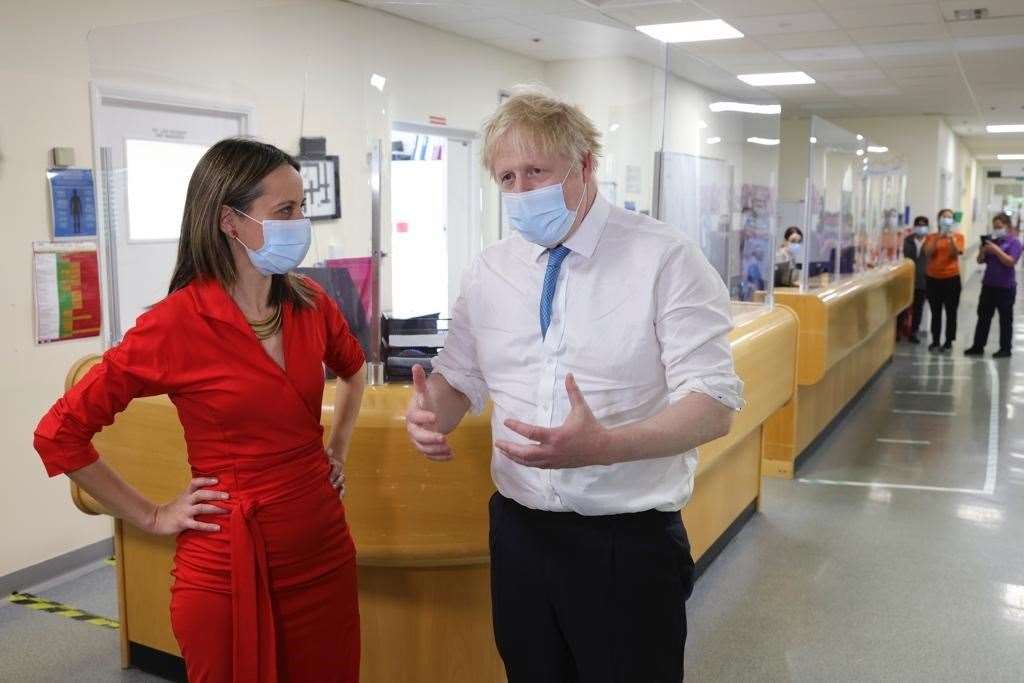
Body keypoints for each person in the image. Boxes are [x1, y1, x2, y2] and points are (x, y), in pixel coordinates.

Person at [405, 89, 743, 682]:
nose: (520, 191)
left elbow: (713, 404)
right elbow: (460, 378)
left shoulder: (665, 259)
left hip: (625, 542)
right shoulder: (491, 270)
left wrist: (606, 446)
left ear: (585, 165)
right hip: (519, 531)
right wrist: (431, 411)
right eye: (506, 178)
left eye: (535, 171)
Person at [33, 138, 366, 682]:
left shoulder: (309, 303)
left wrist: (338, 450)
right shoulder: (175, 324)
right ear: (229, 222)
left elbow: (354, 371)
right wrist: (150, 514)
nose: (301, 222)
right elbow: (59, 435)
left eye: (301, 207)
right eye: (285, 210)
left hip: (323, 553)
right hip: (229, 567)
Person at [965, 213, 1022, 358]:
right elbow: (980, 261)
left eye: (1000, 227)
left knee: (1005, 319)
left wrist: (996, 251)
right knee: (983, 316)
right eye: (995, 227)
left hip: (1005, 287)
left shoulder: (1015, 243)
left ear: (1008, 227)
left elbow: (1010, 261)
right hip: (989, 285)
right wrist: (982, 250)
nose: (997, 229)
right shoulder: (992, 242)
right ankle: (978, 346)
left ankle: (1005, 349)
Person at [923, 208, 964, 353]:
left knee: (951, 312)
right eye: (944, 217)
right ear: (939, 219)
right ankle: (935, 341)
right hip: (933, 278)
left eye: (950, 217)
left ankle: (948, 342)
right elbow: (928, 253)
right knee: (936, 312)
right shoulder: (931, 237)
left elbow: (955, 253)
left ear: (952, 221)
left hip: (951, 279)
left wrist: (950, 238)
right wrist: (938, 237)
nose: (947, 219)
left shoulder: (958, 236)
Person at [900, 216, 930, 344]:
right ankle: (899, 331)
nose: (921, 227)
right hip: (907, 279)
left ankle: (914, 332)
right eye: (918, 224)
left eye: (923, 225)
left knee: (918, 308)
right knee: (903, 307)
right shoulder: (907, 240)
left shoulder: (930, 241)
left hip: (923, 281)